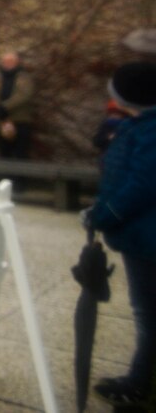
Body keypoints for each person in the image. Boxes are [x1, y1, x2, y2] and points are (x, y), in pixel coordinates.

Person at [88, 62, 156, 408]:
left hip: (148, 240)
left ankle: (139, 385)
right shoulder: (138, 125)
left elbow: (142, 184)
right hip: (142, 236)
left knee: (148, 313)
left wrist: (105, 215)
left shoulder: (150, 130)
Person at [0, 50, 35, 159]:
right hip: (1, 120)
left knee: (21, 153)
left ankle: (20, 176)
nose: (8, 63)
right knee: (4, 152)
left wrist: (4, 106)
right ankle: (6, 175)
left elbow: (23, 95)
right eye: (5, 61)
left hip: (19, 120)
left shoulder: (24, 78)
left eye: (11, 60)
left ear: (17, 62)